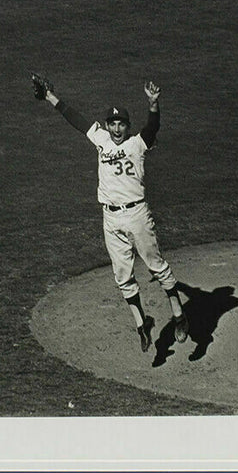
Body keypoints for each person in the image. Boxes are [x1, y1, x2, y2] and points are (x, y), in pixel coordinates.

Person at [31, 73, 188, 353]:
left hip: (137, 215)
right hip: (111, 218)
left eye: (121, 124)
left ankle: (178, 314)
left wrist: (153, 103)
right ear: (107, 125)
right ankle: (141, 325)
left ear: (127, 126)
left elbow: (153, 127)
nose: (117, 128)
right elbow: (75, 118)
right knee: (122, 275)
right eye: (113, 123)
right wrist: (50, 97)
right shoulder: (101, 139)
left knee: (156, 266)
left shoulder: (137, 143)